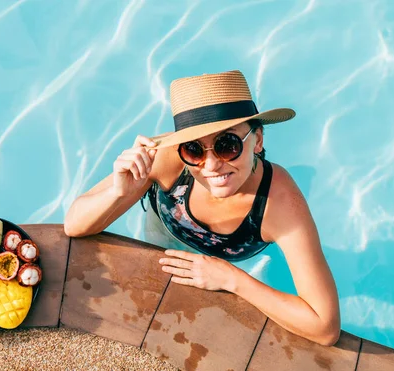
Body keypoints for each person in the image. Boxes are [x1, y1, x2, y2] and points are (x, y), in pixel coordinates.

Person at [64, 70, 341, 346]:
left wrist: (233, 279)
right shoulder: (165, 158)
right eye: (194, 149)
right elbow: (73, 225)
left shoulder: (278, 202)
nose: (210, 166)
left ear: (257, 140)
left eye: (227, 145)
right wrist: (117, 193)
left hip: (235, 265)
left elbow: (325, 326)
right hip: (164, 242)